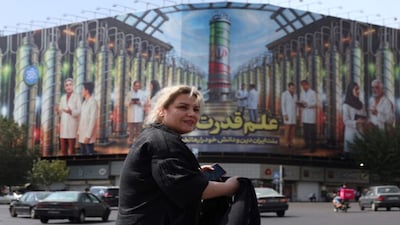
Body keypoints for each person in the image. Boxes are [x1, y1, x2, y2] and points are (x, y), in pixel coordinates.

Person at [116, 85, 239, 225]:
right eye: (183, 107)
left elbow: (164, 182)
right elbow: (188, 190)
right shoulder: (164, 142)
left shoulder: (156, 136)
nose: (192, 114)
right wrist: (231, 187)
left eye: (196, 109)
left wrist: (193, 174)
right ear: (162, 110)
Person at [55, 78, 81, 155]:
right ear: (64, 87)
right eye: (67, 85)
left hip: (72, 127)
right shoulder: (63, 98)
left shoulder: (77, 97)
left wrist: (71, 112)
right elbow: (61, 112)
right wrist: (57, 111)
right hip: (63, 127)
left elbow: (79, 111)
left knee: (72, 150)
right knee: (63, 150)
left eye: (70, 85)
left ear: (73, 86)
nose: (68, 87)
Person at [343, 82, 367, 157]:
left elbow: (364, 116)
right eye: (356, 89)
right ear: (351, 90)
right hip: (351, 134)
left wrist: (365, 120)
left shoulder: (362, 104)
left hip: (361, 134)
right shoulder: (346, 105)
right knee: (350, 157)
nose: (358, 91)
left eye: (358, 89)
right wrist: (356, 122)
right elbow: (345, 121)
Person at [77, 82, 98, 155]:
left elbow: (92, 120)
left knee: (89, 155)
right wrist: (79, 132)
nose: (81, 91)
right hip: (82, 135)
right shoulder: (84, 103)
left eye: (83, 89)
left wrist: (88, 136)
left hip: (88, 137)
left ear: (87, 91)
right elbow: (81, 119)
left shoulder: (93, 103)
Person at [299, 80, 317, 152]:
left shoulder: (313, 92)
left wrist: (307, 104)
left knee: (312, 132)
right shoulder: (302, 93)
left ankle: (313, 147)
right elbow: (301, 101)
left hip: (311, 115)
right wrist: (301, 103)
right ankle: (306, 144)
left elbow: (315, 103)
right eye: (302, 85)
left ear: (308, 85)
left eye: (305, 85)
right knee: (305, 132)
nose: (303, 87)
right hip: (304, 115)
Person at [281, 82, 298, 149]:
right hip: (287, 114)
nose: (292, 89)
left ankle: (291, 141)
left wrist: (297, 114)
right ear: (288, 88)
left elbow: (297, 106)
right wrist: (284, 114)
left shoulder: (295, 95)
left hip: (293, 114)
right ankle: (286, 142)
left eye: (293, 88)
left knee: (292, 129)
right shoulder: (284, 94)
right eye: (291, 88)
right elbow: (283, 104)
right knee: (287, 129)